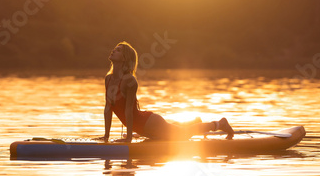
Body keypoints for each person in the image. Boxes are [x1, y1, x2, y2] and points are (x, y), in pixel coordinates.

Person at [99, 41, 235, 142]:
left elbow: (128, 111)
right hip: (142, 128)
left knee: (185, 134)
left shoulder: (129, 81)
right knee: (175, 131)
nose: (113, 50)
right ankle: (195, 120)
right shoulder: (108, 79)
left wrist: (128, 138)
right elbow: (107, 108)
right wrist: (106, 136)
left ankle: (219, 124)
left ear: (124, 59)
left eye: (117, 50)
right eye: (114, 49)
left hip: (150, 124)